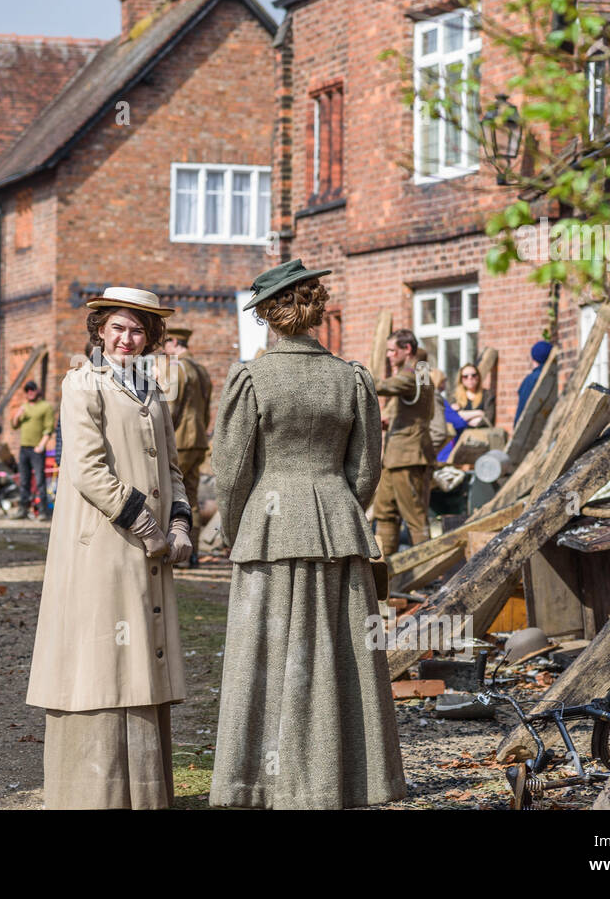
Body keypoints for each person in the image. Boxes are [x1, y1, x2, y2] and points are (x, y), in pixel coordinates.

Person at [208, 258, 406, 809]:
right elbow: (366, 471)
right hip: (338, 527)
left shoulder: (251, 379)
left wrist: (239, 529)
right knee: (341, 656)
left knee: (265, 658)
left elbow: (232, 473)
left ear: (269, 315)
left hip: (268, 529)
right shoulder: (352, 377)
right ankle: (346, 780)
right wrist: (337, 508)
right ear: (315, 311)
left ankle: (261, 784)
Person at [26, 286, 191, 809]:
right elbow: (86, 468)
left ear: (151, 337)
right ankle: (94, 793)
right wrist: (144, 522)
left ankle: (142, 792)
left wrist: (181, 522)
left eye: (138, 329)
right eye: (117, 327)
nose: (127, 338)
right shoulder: (83, 383)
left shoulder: (152, 388)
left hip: (151, 550)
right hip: (103, 544)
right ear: (99, 330)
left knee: (140, 660)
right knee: (101, 661)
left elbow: (170, 466)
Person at [372, 328, 435, 557]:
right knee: (385, 513)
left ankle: (424, 572)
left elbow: (383, 386)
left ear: (407, 349)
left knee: (415, 519)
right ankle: (386, 573)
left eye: (392, 350)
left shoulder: (412, 374)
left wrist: (354, 373)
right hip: (395, 456)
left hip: (408, 456)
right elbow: (417, 410)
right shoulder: (421, 372)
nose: (389, 355)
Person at [159, 326, 212, 567]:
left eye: (166, 342)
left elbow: (170, 409)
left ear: (174, 343)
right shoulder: (201, 370)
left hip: (179, 442)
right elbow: (207, 408)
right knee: (191, 497)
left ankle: (177, 553)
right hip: (198, 441)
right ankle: (192, 553)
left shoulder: (176, 368)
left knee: (173, 495)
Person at [10, 380, 55, 520]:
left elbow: (49, 428)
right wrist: (17, 415)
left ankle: (42, 511)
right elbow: (14, 426)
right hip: (24, 448)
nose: (30, 392)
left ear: (37, 391)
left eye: (32, 389)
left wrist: (42, 445)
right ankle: (23, 509)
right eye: (27, 390)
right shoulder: (24, 407)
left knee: (40, 480)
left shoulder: (45, 407)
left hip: (37, 449)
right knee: (24, 480)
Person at [514, 340, 553, 425]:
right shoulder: (554, 377)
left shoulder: (530, 380)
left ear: (533, 358)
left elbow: (522, 408)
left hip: (529, 429)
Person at [452, 362, 495, 428]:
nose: (470, 378)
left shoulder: (487, 395)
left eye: (473, 375)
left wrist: (464, 415)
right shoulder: (455, 397)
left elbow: (488, 419)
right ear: (461, 379)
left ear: (478, 377)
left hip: (481, 435)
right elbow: (453, 418)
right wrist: (479, 413)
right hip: (461, 436)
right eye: (465, 376)